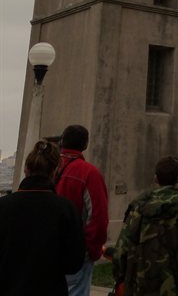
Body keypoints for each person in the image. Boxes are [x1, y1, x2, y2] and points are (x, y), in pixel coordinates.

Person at [0, 139, 85, 296]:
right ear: (54, 172)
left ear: (26, 169)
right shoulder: (66, 209)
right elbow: (74, 263)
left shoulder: (3, 206)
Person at [113, 156, 178, 296]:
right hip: (176, 285)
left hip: (140, 285)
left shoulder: (139, 205)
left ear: (156, 178)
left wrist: (120, 276)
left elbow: (121, 248)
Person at [55, 124, 109, 296]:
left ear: (61, 141)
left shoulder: (46, 168)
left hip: (45, 248)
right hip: (76, 251)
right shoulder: (89, 173)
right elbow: (98, 216)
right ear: (85, 144)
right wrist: (92, 249)